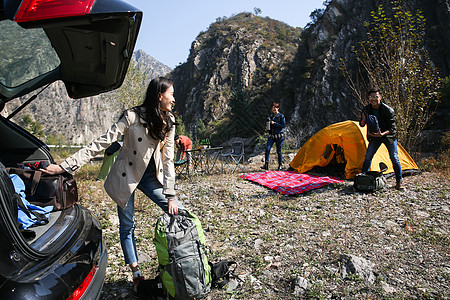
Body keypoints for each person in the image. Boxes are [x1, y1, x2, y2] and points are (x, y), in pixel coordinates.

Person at [41, 77, 184, 292]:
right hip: (126, 177)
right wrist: (66, 166)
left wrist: (171, 194)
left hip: (151, 177)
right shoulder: (132, 116)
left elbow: (168, 159)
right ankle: (136, 275)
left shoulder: (169, 121)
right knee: (127, 226)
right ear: (159, 95)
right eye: (171, 94)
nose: (174, 99)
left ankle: (183, 262)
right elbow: (101, 143)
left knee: (179, 212)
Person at [359, 88, 403, 190]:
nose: (373, 99)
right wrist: (363, 119)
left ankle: (399, 182)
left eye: (376, 97)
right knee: (368, 157)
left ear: (380, 97)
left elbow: (392, 129)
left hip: (389, 137)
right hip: (374, 137)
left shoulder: (388, 110)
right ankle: (362, 180)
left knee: (394, 158)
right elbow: (361, 125)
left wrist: (382, 134)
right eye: (371, 97)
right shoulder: (366, 109)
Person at [261, 102, 286, 171]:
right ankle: (266, 165)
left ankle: (280, 165)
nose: (274, 109)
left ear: (278, 108)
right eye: (272, 108)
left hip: (279, 136)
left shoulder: (281, 116)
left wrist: (275, 123)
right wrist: (267, 129)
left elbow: (283, 126)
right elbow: (269, 126)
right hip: (271, 136)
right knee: (267, 149)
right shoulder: (271, 117)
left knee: (279, 151)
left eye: (275, 107)